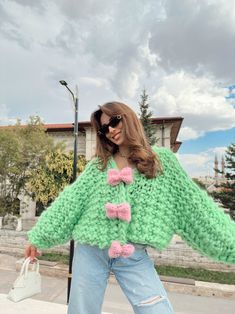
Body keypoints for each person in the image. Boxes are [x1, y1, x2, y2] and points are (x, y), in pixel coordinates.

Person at [25, 101, 235, 314]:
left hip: (133, 255)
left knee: (157, 310)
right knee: (82, 310)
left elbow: (196, 208)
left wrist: (231, 243)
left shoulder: (162, 162)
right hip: (91, 252)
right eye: (104, 129)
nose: (111, 131)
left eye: (114, 121)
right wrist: (39, 237)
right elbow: (69, 203)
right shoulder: (99, 166)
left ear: (128, 117)